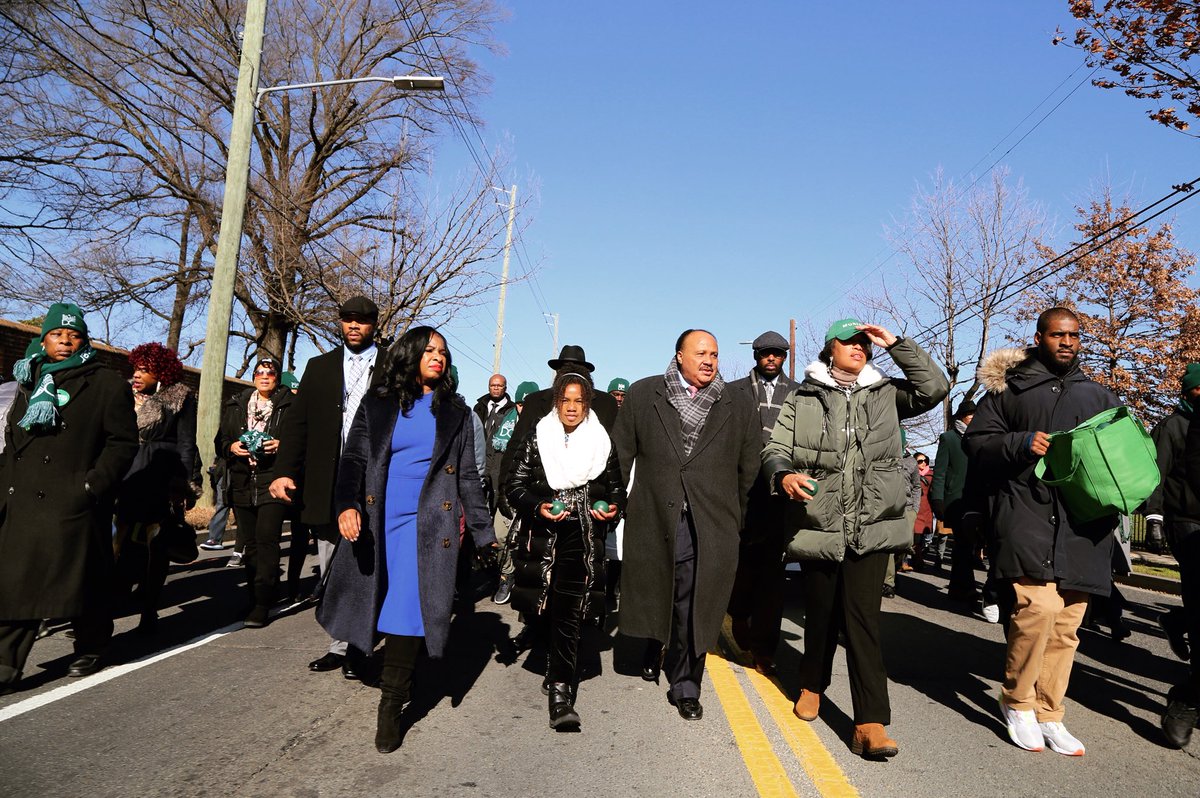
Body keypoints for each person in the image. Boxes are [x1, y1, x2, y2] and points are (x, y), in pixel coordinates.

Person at [763, 318, 947, 759]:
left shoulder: (886, 393)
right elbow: (775, 449)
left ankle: (870, 722)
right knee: (822, 616)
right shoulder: (803, 397)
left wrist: (895, 343)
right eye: (850, 342)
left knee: (863, 622)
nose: (860, 348)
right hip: (820, 522)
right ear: (830, 348)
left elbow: (935, 387)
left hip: (871, 525)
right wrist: (783, 474)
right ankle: (812, 684)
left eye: (865, 342)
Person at [316, 326, 493, 754]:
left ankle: (392, 702)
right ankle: (368, 660)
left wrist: (486, 536)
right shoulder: (377, 404)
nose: (439, 357)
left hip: (432, 524)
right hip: (379, 519)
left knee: (407, 607)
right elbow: (354, 459)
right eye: (430, 350)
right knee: (374, 601)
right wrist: (346, 505)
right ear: (409, 355)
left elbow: (468, 477)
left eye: (444, 353)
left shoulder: (456, 412)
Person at [964, 307, 1120, 756]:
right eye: (1058, 335)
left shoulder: (1098, 394)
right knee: (1038, 609)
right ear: (1039, 337)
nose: (1067, 342)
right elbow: (977, 442)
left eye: (1074, 335)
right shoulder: (1010, 389)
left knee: (1069, 621)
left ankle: (1050, 712)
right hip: (1026, 512)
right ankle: (1017, 701)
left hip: (1082, 522)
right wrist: (1019, 442)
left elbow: (1120, 449)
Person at [614, 329, 760, 721]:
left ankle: (686, 684)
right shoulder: (645, 395)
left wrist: (737, 521)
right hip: (655, 515)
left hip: (710, 522)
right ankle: (654, 645)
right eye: (700, 353)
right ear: (679, 356)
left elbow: (749, 470)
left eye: (714, 353)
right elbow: (621, 454)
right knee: (658, 592)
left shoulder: (739, 404)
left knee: (696, 604)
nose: (709, 360)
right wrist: (612, 504)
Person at [0, 303, 139, 689]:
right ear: (42, 339)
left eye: (73, 335)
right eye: (56, 335)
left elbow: (123, 443)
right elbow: (12, 443)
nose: (64, 341)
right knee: (15, 581)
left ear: (84, 340)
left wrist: (92, 485)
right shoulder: (26, 379)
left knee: (81, 580)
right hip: (22, 496)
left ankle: (92, 645)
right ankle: (6, 663)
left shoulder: (105, 383)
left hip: (73, 498)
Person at [270, 296, 382, 677]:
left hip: (375, 479)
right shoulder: (318, 368)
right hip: (327, 479)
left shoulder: (390, 367)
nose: (354, 326)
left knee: (367, 562)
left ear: (373, 326)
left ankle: (358, 645)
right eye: (347, 320)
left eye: (362, 321)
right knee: (330, 560)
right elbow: (296, 425)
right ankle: (339, 643)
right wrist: (284, 470)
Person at [505, 371, 624, 729]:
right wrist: (536, 505)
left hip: (582, 538)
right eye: (565, 400)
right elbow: (514, 485)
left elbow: (617, 490)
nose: (572, 408)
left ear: (588, 405)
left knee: (570, 611)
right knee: (546, 610)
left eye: (579, 401)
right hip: (542, 537)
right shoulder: (536, 437)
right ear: (557, 403)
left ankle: (560, 693)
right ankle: (554, 664)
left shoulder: (602, 441)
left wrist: (612, 507)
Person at [113, 342, 200, 633]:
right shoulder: (122, 393)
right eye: (136, 367)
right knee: (115, 542)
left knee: (156, 544)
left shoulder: (179, 396)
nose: (137, 374)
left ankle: (149, 609)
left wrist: (184, 486)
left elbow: (187, 442)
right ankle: (106, 607)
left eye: (145, 370)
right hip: (123, 473)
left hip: (160, 474)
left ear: (160, 372)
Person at [727, 330, 798, 673]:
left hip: (780, 496)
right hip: (740, 492)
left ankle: (764, 647)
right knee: (741, 566)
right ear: (756, 356)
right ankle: (738, 614)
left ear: (784, 357)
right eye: (766, 353)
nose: (772, 358)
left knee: (773, 574)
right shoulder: (733, 391)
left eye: (778, 354)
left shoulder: (800, 393)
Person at [217, 357, 294, 627]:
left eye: (270, 373)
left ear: (276, 378)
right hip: (241, 481)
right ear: (253, 377)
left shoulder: (289, 404)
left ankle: (263, 602)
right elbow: (221, 441)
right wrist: (232, 447)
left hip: (272, 479)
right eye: (259, 373)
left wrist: (281, 445)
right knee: (249, 544)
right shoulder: (237, 404)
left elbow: (301, 441)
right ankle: (255, 598)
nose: (264, 377)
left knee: (267, 539)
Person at [1146, 363, 1200, 747]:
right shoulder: (1173, 426)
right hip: (1188, 522)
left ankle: (1178, 618)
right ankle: (1188, 699)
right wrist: (1154, 516)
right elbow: (1157, 473)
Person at [499, 346, 619, 488]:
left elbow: (615, 453)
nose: (570, 373)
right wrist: (504, 488)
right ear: (557, 372)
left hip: (592, 496)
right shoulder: (535, 401)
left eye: (576, 368)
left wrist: (615, 498)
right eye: (564, 368)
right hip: (541, 494)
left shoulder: (605, 403)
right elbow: (516, 446)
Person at [933, 399, 987, 605]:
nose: (973, 418)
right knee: (963, 544)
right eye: (969, 415)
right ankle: (967, 589)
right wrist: (937, 498)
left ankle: (957, 588)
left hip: (976, 499)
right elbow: (940, 471)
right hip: (955, 499)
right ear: (961, 417)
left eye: (976, 415)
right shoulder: (949, 438)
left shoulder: (982, 438)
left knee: (967, 545)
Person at [491, 380, 538, 605]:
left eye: (527, 404)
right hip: (507, 491)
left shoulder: (542, 430)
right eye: (520, 404)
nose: (523, 409)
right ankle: (506, 573)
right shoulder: (506, 427)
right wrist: (500, 491)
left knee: (526, 541)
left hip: (530, 495)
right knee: (500, 536)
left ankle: (518, 580)